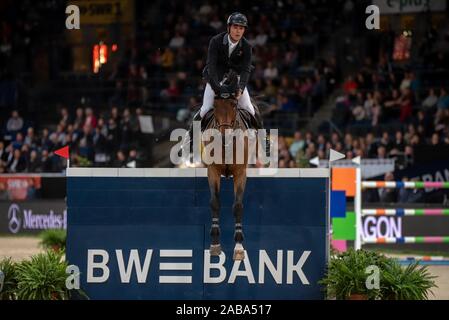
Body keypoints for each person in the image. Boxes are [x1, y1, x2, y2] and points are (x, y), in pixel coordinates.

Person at [185, 12, 266, 149]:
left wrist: (240, 88)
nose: (238, 31)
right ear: (229, 28)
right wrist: (217, 87)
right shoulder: (216, 41)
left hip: (237, 80)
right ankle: (188, 141)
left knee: (250, 108)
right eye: (235, 27)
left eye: (241, 28)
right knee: (205, 109)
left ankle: (264, 141)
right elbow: (211, 66)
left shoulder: (246, 46)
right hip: (215, 78)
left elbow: (246, 69)